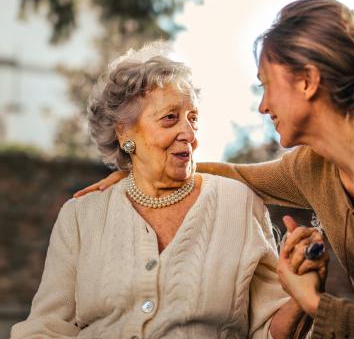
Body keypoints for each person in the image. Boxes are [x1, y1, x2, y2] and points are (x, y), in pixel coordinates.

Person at [77, 0, 354, 338]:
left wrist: (314, 303)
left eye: (266, 85)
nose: (263, 106)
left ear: (307, 82)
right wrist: (143, 170)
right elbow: (237, 175)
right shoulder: (316, 166)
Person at [11, 43, 323, 339]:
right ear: (124, 132)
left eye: (193, 119)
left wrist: (301, 297)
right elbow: (46, 329)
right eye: (170, 118)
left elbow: (270, 331)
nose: (188, 134)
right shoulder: (81, 216)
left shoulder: (238, 203)